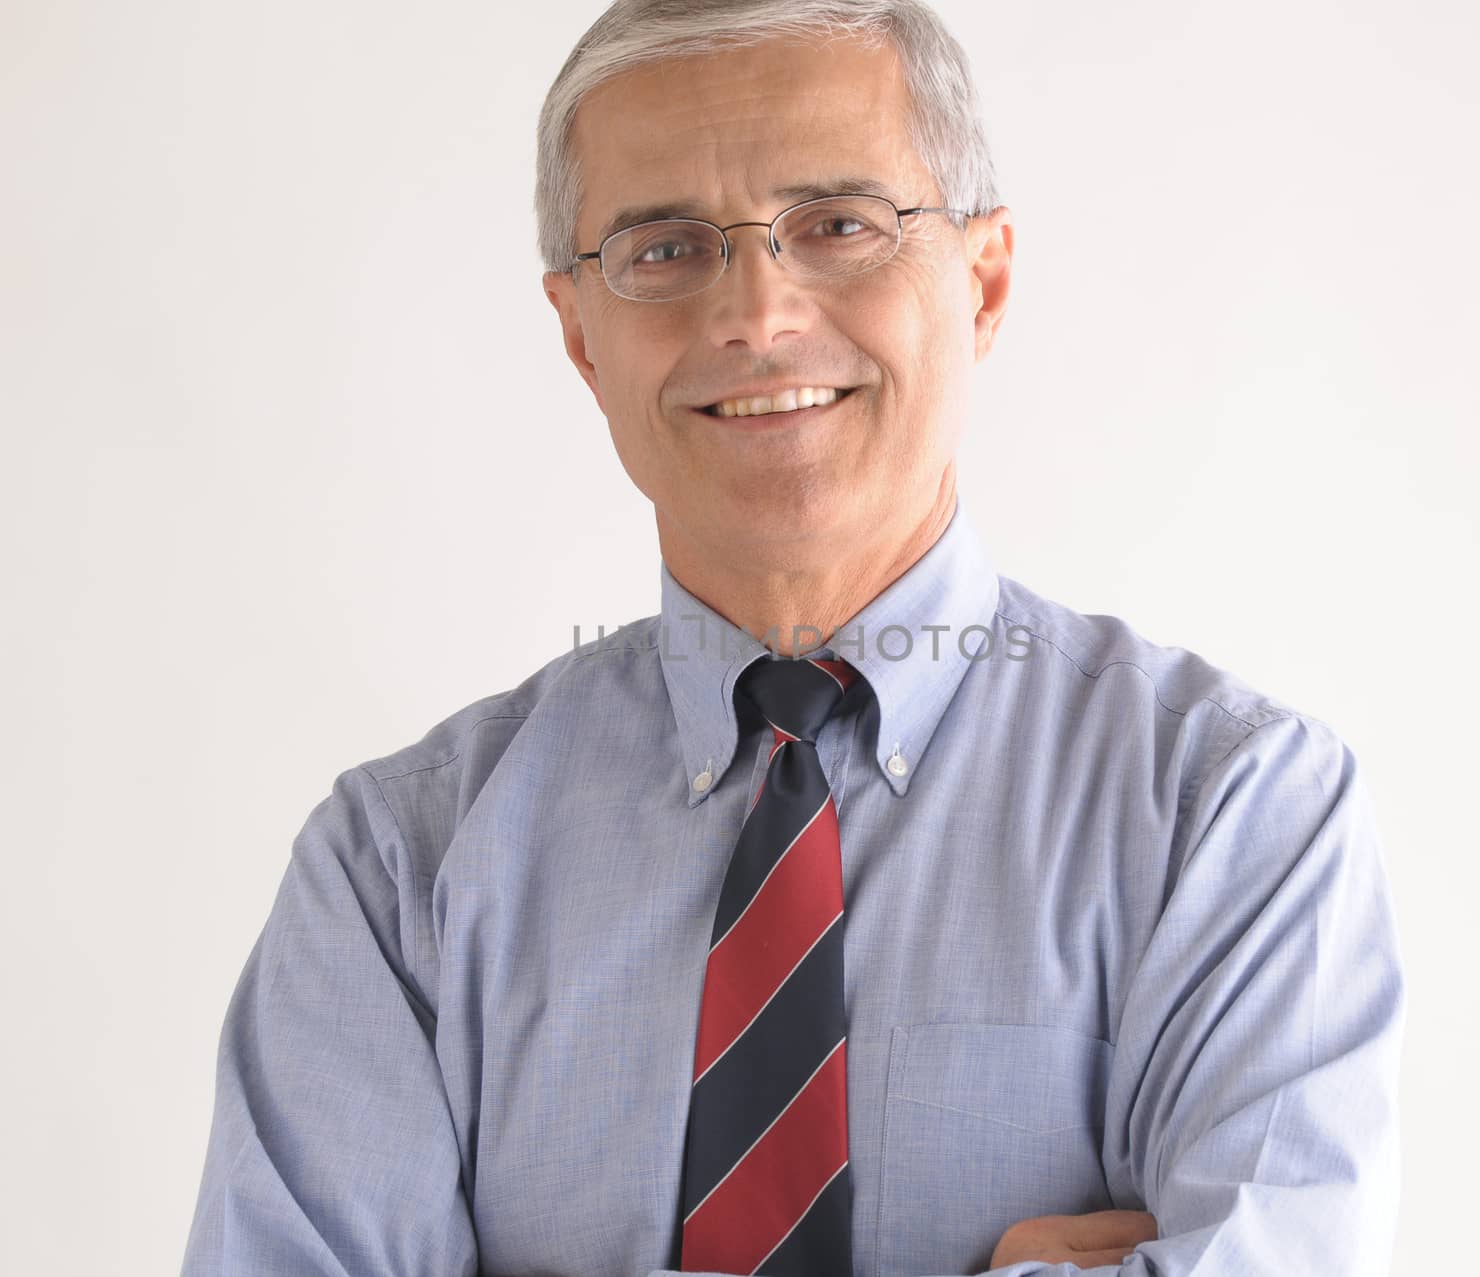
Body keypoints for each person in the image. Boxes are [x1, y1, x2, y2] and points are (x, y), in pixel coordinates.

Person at [179, 1, 1405, 1274]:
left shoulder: (1228, 812)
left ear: (981, 281)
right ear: (578, 337)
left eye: (837, 225)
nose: (757, 315)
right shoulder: (396, 879)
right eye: (663, 248)